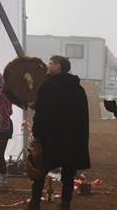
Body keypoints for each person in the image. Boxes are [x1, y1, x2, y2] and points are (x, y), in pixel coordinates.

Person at [29, 56, 90, 210]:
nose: (48, 66)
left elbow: (42, 114)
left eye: (51, 63)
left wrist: (36, 134)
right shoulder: (77, 89)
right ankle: (65, 204)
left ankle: (35, 204)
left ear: (59, 66)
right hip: (71, 139)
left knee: (40, 170)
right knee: (68, 173)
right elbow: (82, 116)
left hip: (49, 137)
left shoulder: (47, 86)